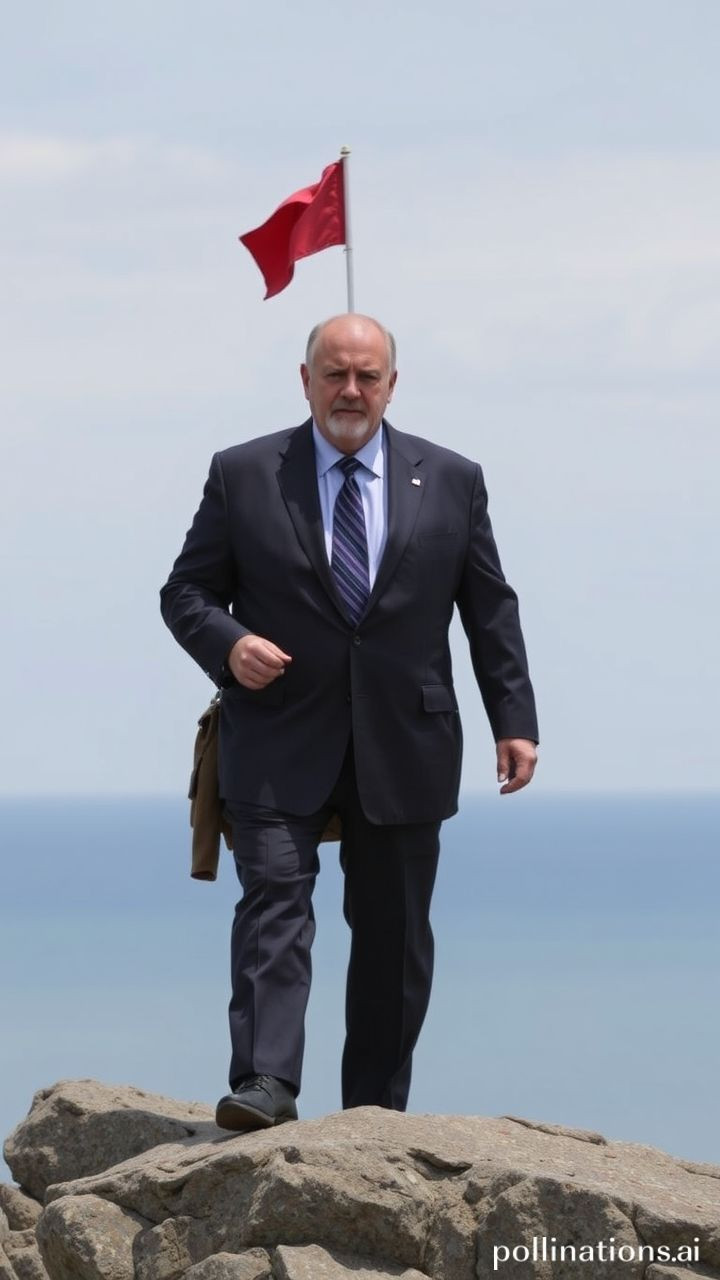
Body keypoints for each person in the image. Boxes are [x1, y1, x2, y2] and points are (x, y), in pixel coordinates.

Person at [160, 313, 538, 1131]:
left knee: (394, 937)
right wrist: (230, 646)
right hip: (276, 735)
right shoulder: (243, 473)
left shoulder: (453, 478)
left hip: (408, 743)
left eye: (368, 376)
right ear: (306, 381)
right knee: (273, 906)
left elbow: (489, 609)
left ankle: (373, 1112)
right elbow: (185, 592)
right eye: (335, 374)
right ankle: (265, 1085)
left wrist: (514, 719)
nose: (351, 391)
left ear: (392, 385)